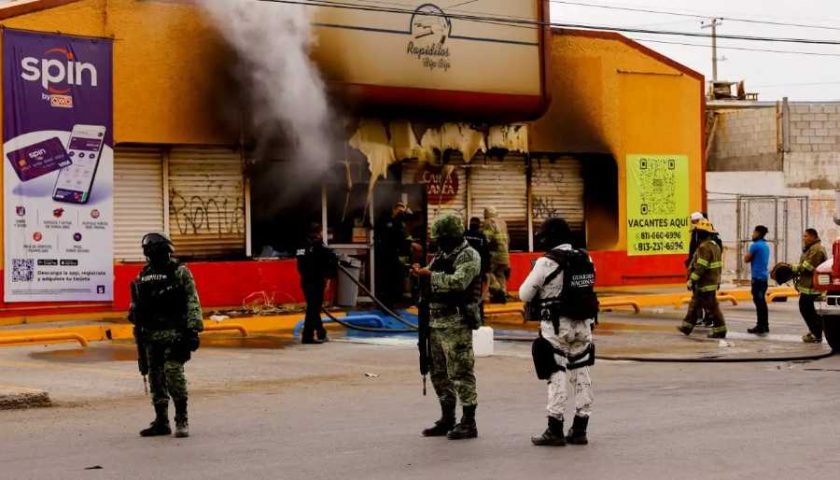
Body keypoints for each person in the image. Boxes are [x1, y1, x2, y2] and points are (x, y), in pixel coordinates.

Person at [520, 217, 598, 447]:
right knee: (582, 373)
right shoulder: (585, 257)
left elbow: (525, 294)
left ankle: (555, 427)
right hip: (583, 324)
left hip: (556, 326)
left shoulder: (547, 262)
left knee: (556, 373)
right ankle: (580, 428)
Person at [412, 213, 482, 441]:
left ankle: (469, 422)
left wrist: (430, 276)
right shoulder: (442, 254)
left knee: (460, 372)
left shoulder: (469, 255)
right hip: (435, 321)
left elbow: (458, 282)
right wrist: (419, 273)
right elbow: (431, 275)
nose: (438, 243)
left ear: (452, 236)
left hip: (456, 322)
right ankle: (447, 417)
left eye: (442, 238)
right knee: (438, 372)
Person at [129, 233, 203, 438]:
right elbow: (137, 304)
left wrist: (193, 330)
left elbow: (192, 301)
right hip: (151, 334)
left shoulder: (179, 272)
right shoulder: (143, 275)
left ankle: (181, 418)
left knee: (172, 371)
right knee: (155, 376)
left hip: (175, 333)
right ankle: (161, 421)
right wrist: (135, 316)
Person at [678, 220, 727, 339]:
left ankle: (720, 330)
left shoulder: (704, 247)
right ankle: (687, 327)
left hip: (704, 283)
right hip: (712, 281)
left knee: (712, 308)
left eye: (698, 232)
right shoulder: (715, 246)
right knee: (695, 304)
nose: (696, 235)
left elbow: (701, 266)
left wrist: (692, 279)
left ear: (702, 234)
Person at [296, 223, 339, 345]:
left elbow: (300, 265)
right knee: (313, 309)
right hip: (316, 281)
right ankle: (311, 335)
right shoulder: (318, 245)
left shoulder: (302, 245)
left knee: (313, 308)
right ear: (316, 232)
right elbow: (330, 258)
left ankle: (316, 333)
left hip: (306, 281)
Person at [375, 201, 414, 308]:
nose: (400, 210)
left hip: (397, 255)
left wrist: (406, 210)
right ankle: (386, 303)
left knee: (396, 280)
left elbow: (410, 219)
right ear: (394, 209)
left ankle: (394, 302)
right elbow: (383, 234)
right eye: (399, 208)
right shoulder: (386, 220)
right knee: (386, 280)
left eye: (402, 208)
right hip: (385, 255)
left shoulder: (401, 221)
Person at [793, 229, 828, 343]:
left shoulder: (816, 249)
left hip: (813, 288)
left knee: (808, 310)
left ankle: (816, 333)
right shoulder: (811, 248)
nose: (804, 238)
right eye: (804, 236)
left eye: (806, 236)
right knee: (809, 310)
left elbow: (808, 266)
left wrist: (793, 268)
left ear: (813, 237)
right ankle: (815, 331)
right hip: (808, 287)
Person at [745, 225, 771, 335]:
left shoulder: (755, 246)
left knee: (759, 302)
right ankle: (765, 325)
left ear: (758, 233)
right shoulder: (765, 245)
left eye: (754, 232)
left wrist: (748, 254)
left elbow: (746, 259)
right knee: (762, 302)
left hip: (757, 278)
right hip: (764, 278)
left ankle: (761, 325)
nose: (752, 234)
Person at [464, 217, 491, 318]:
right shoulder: (481, 237)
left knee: (464, 292)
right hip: (477, 271)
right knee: (476, 294)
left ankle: (464, 313)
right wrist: (486, 270)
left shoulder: (464, 235)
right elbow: (486, 254)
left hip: (464, 270)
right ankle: (478, 314)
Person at [482, 206, 510, 304]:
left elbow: (486, 239)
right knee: (500, 274)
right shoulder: (503, 223)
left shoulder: (488, 222)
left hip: (494, 255)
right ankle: (502, 294)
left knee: (488, 273)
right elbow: (508, 239)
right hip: (505, 254)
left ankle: (498, 292)